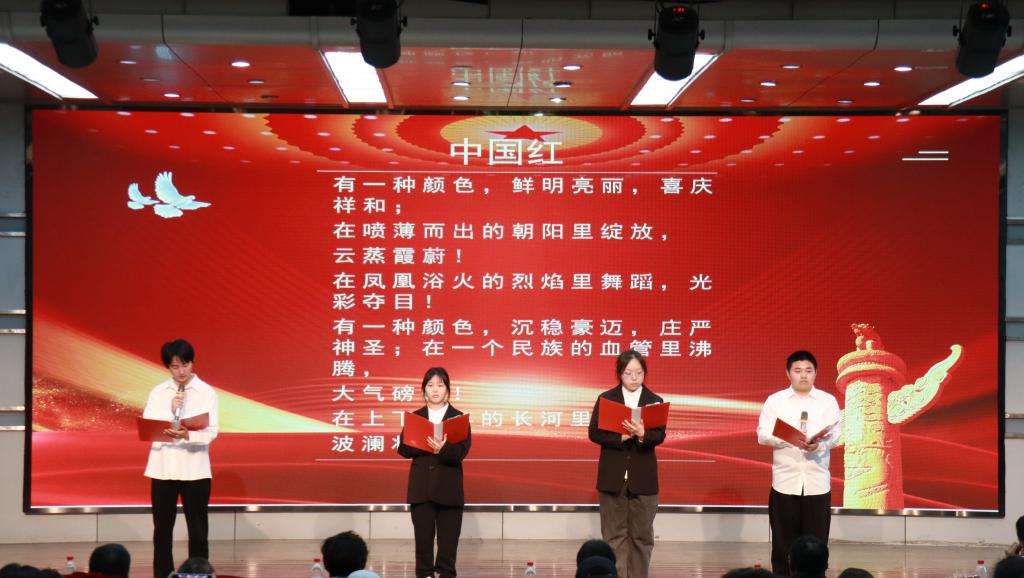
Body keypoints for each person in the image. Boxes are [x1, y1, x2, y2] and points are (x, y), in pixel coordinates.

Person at [756, 351, 842, 576]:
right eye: (798, 370)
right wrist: (787, 438)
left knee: (816, 545)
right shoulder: (775, 401)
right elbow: (762, 434)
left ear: (816, 373)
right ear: (788, 374)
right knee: (782, 543)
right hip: (785, 482)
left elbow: (836, 436)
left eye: (808, 370)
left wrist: (818, 445)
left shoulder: (827, 401)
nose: (803, 375)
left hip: (817, 482)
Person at [143, 339, 219, 578]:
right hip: (163, 467)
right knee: (162, 530)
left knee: (198, 531)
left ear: (192, 363)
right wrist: (169, 410)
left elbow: (211, 432)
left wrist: (188, 435)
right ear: (168, 367)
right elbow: (148, 428)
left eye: (185, 365)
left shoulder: (206, 392)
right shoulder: (158, 392)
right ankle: (163, 574)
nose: (181, 371)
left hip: (195, 469)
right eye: (175, 367)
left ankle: (199, 574)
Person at [588, 350, 667, 578]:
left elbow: (659, 435)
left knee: (642, 537)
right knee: (614, 536)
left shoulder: (655, 401)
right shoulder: (606, 399)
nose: (634, 378)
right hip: (613, 477)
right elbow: (594, 433)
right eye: (628, 373)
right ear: (619, 373)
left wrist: (643, 434)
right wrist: (619, 437)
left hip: (643, 478)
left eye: (639, 373)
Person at [397, 367, 471, 578]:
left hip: (449, 492)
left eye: (440, 385)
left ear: (447, 390)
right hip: (421, 492)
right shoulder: (416, 417)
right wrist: (423, 443)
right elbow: (403, 449)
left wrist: (442, 449)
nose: (435, 390)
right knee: (423, 550)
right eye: (430, 385)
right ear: (424, 390)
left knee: (448, 550)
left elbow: (461, 453)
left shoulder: (458, 418)